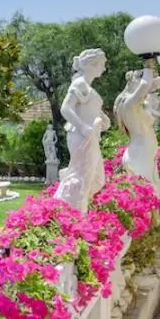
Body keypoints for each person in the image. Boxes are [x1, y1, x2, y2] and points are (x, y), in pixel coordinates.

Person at [53, 49, 109, 211]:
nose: (104, 68)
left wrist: (102, 119)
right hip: (81, 135)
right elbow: (66, 108)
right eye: (102, 64)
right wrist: (83, 126)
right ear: (91, 65)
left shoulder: (87, 87)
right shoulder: (79, 84)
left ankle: (67, 205)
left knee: (97, 179)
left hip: (91, 136)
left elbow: (90, 111)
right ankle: (73, 212)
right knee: (82, 177)